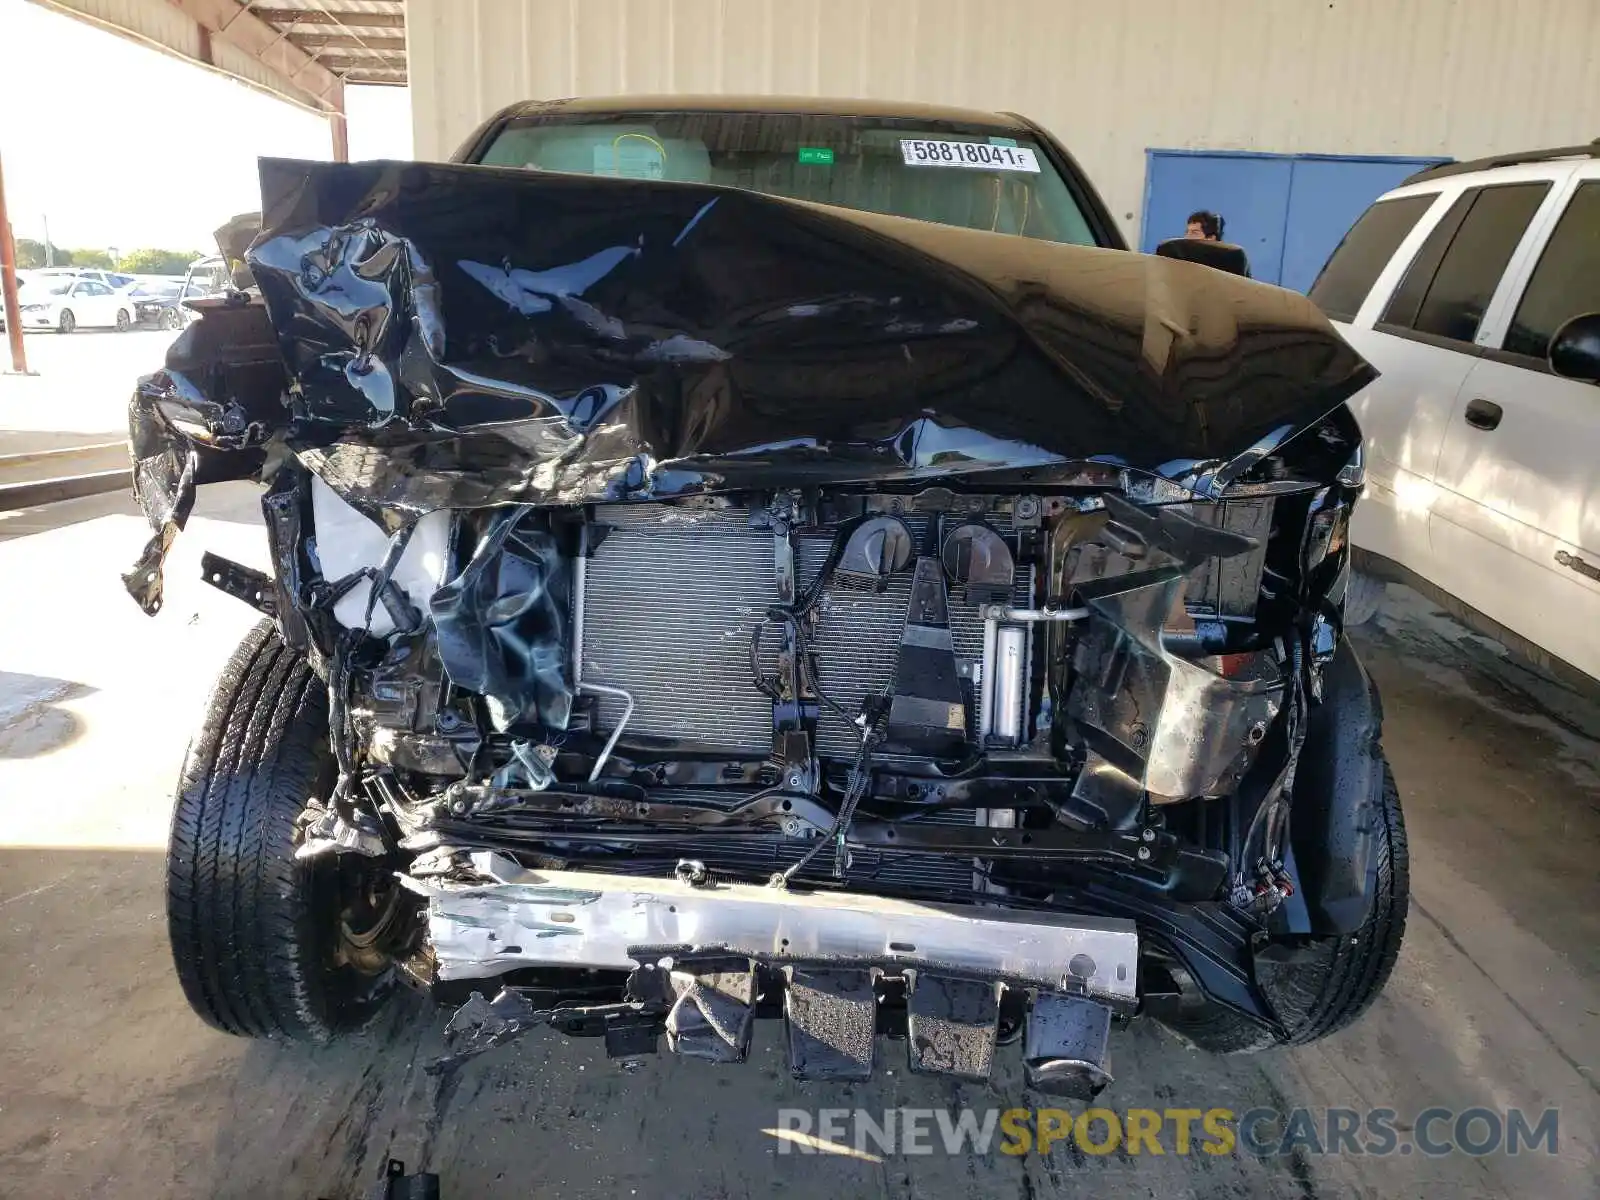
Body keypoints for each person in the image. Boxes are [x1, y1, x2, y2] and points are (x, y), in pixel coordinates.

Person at [1155, 209, 1251, 277]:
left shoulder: (1231, 260)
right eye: (1187, 232)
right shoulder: (1180, 256)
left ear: (1211, 238)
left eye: (1194, 233)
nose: (1187, 237)